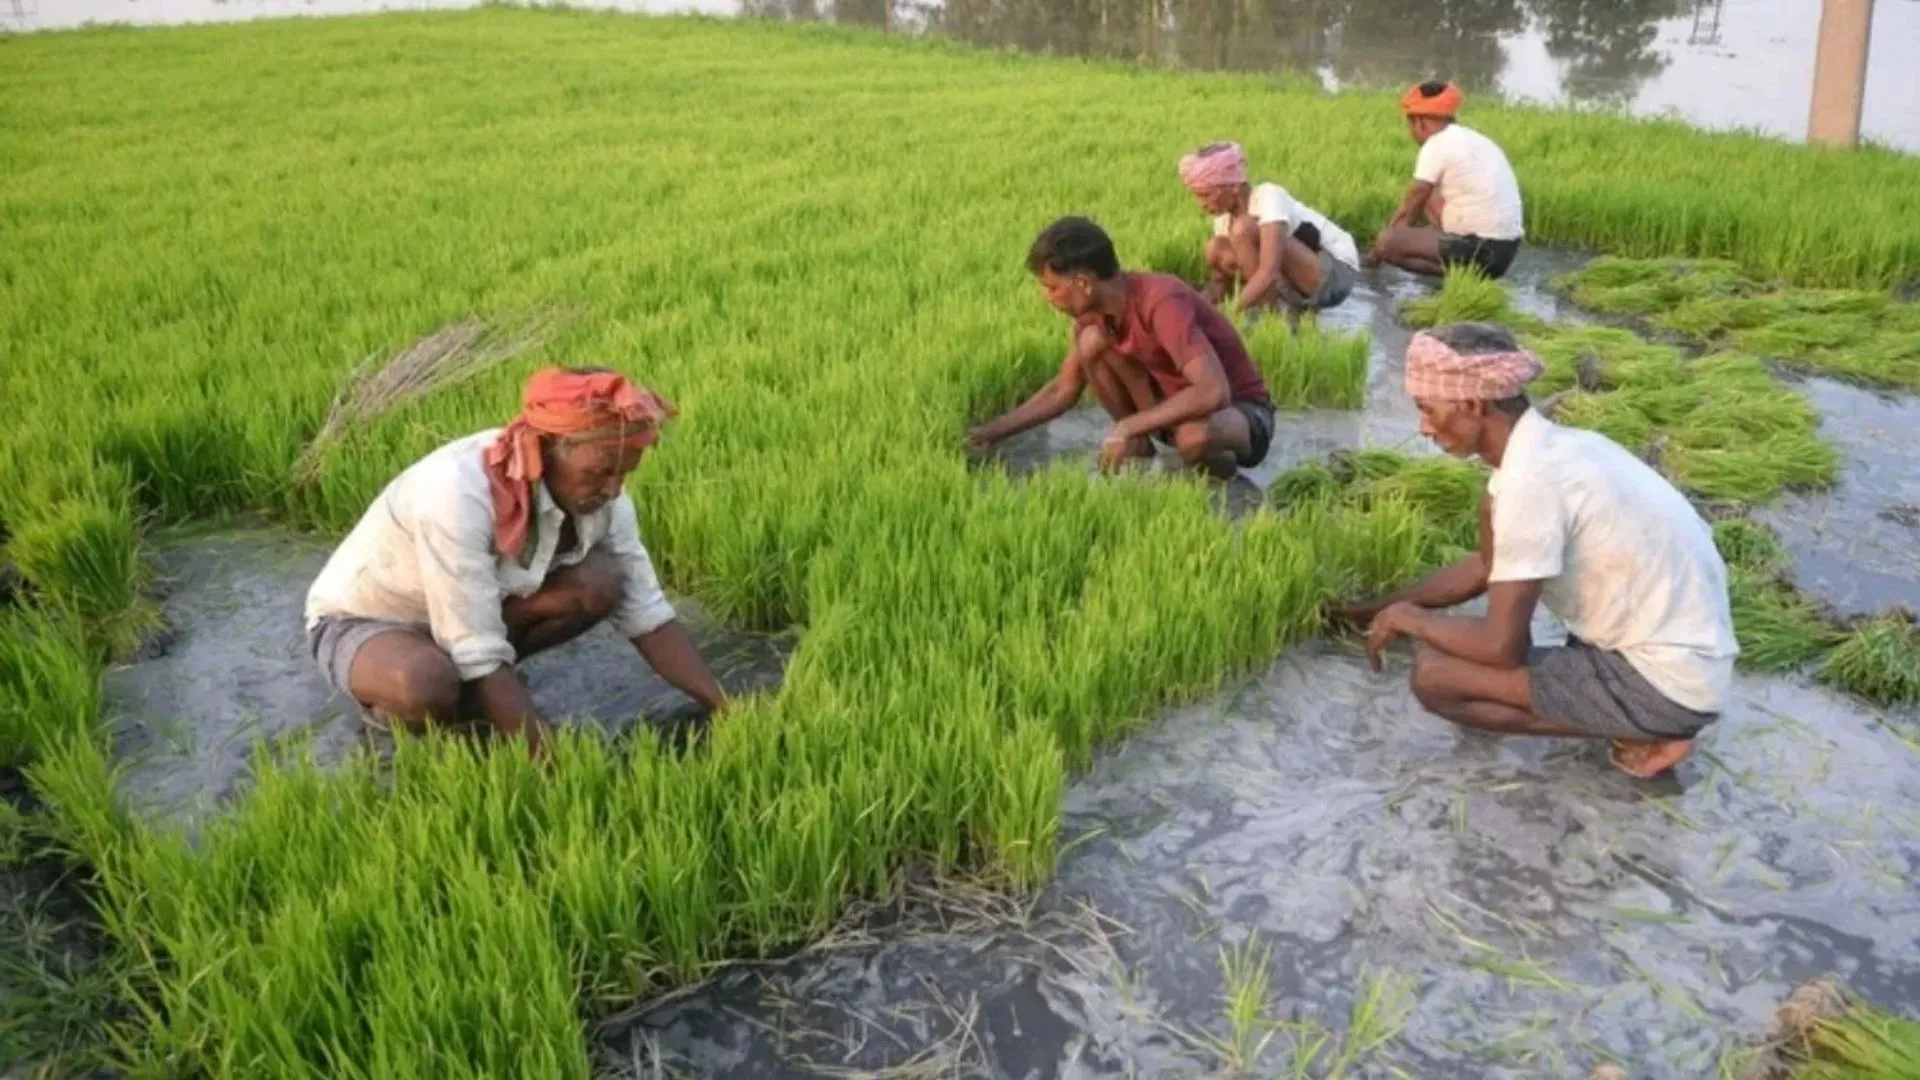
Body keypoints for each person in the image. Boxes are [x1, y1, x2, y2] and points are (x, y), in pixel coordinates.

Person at [1336, 323, 1739, 778]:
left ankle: (1650, 732)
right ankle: (1635, 716)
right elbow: (1485, 569)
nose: (1423, 428)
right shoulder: (1557, 451)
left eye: (1427, 410)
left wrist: (1409, 618)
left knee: (1435, 677)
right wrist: (1371, 609)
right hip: (1685, 660)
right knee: (1452, 649)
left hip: (1668, 685)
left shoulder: (1532, 484)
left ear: (1471, 404)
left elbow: (1500, 647)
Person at [304, 366, 729, 759]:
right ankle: (401, 719)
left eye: (624, 474)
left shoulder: (606, 498)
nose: (615, 490)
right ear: (548, 448)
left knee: (600, 581)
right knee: (424, 684)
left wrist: (729, 709)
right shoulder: (458, 492)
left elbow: (648, 613)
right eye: (600, 472)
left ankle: (478, 699)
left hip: (472, 611)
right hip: (373, 622)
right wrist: (558, 766)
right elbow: (475, 648)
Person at [966, 215, 1276, 480]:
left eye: (1052, 287)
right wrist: (985, 434)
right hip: (1172, 411)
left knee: (1194, 437)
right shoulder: (1094, 317)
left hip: (1238, 413)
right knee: (1092, 343)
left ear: (1084, 283)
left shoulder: (1161, 300)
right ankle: (1143, 447)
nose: (1048, 297)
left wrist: (1128, 425)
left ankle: (1219, 476)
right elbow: (1063, 390)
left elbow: (1212, 391)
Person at [1176, 141, 1360, 316]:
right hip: (1296, 274)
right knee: (1216, 248)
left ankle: (1271, 314)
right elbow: (1220, 281)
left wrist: (1230, 313)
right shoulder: (1223, 220)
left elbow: (1268, 272)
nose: (1201, 204)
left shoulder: (1268, 196)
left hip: (1335, 273)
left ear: (1232, 188)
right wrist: (1195, 309)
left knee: (1244, 230)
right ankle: (1275, 311)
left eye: (1206, 195)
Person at [1367, 81, 1525, 281]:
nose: (1411, 132)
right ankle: (1464, 277)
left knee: (1388, 242)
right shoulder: (1476, 140)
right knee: (1432, 197)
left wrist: (1376, 255)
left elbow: (1410, 208)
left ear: (1420, 122)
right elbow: (1426, 201)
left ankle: (1462, 277)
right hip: (1505, 252)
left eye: (1410, 125)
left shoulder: (1436, 144)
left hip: (1479, 248)